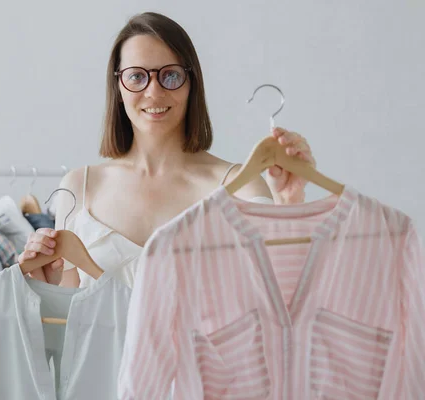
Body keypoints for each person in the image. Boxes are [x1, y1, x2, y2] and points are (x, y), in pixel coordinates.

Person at [18, 12, 316, 288]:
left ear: (191, 84)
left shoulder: (238, 185)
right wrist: (38, 278)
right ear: (118, 87)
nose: (154, 91)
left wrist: (290, 201)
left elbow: (284, 293)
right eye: (137, 76)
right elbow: (69, 322)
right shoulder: (79, 187)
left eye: (170, 75)